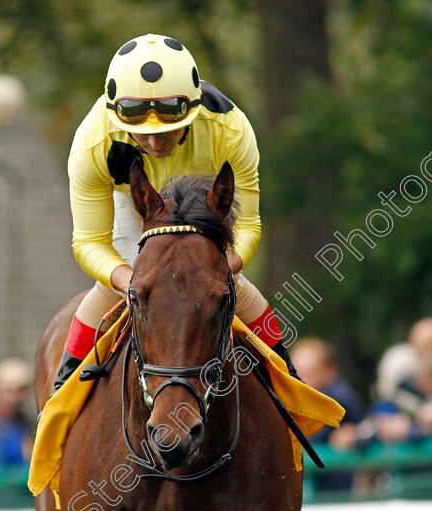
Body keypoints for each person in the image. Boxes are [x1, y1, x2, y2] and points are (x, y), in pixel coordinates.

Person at [53, 33, 296, 393]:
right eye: (140, 134)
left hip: (201, 206)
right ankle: (62, 395)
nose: (154, 143)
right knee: (113, 288)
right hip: (135, 201)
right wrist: (127, 280)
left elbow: (248, 225)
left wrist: (220, 269)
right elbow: (89, 241)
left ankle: (290, 388)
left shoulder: (230, 128)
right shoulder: (92, 141)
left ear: (192, 112)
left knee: (236, 287)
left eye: (167, 130)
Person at [290, 338, 364, 491]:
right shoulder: (305, 399)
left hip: (334, 491)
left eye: (309, 373)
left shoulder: (338, 399)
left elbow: (307, 438)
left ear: (329, 371)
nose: (300, 380)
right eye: (294, 372)